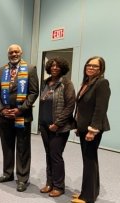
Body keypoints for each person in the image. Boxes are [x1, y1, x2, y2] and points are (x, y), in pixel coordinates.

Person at [0, 44, 39, 192]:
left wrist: (20, 109)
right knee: (7, 146)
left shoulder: (30, 69)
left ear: (21, 52)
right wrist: (2, 109)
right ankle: (8, 174)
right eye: (11, 52)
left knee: (22, 148)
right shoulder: (1, 71)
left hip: (22, 116)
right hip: (5, 116)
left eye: (16, 51)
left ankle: (23, 179)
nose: (14, 54)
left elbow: (33, 92)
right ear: (8, 54)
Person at [71, 56, 111, 203]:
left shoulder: (102, 83)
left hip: (92, 129)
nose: (91, 68)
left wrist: (92, 130)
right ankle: (89, 192)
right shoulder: (87, 82)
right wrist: (78, 125)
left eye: (95, 66)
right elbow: (82, 107)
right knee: (90, 160)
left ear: (101, 69)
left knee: (89, 161)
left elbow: (100, 109)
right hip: (83, 127)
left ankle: (87, 197)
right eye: (89, 65)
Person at [38, 57, 75, 197]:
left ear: (62, 68)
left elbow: (70, 106)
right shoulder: (45, 83)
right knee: (48, 154)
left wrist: (57, 124)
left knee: (56, 156)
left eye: (58, 66)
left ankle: (59, 186)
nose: (54, 68)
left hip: (59, 127)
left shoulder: (67, 83)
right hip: (44, 125)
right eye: (52, 65)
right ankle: (49, 183)